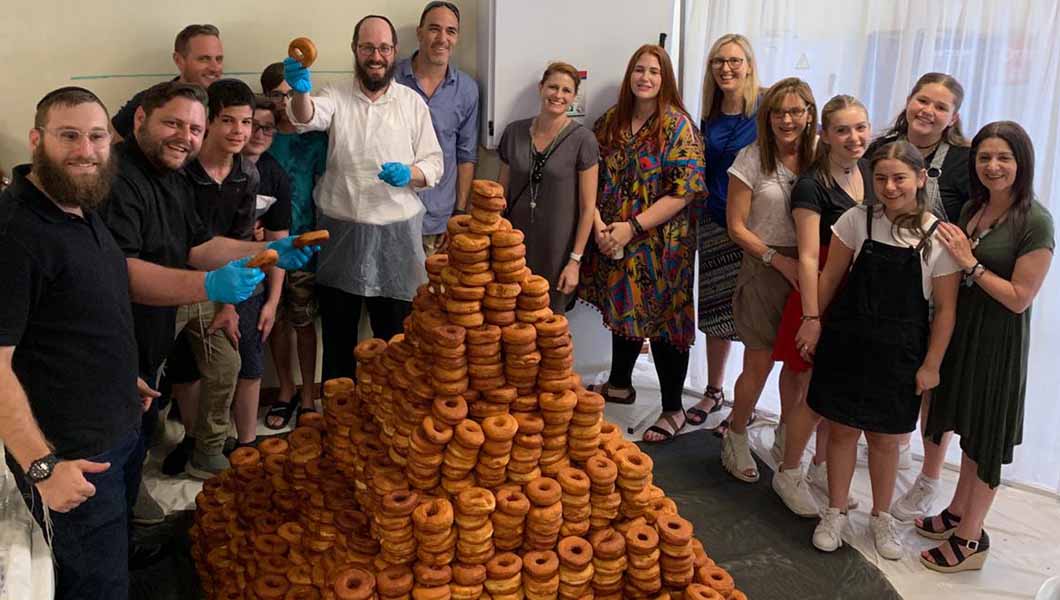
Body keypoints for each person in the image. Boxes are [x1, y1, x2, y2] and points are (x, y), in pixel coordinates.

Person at [99, 81, 316, 481]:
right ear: (142, 118)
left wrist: (269, 253)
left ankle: (136, 490)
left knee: (143, 420)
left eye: (193, 129)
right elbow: (123, 274)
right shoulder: (119, 178)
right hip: (118, 329)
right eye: (174, 124)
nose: (185, 138)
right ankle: (125, 510)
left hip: (152, 325)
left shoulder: (171, 174)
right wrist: (211, 288)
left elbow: (199, 247)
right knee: (119, 431)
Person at [0, 86, 159, 599]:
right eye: (69, 136)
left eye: (96, 137)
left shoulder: (78, 206)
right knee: (96, 587)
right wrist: (43, 468)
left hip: (116, 429)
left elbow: (77, 311)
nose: (86, 151)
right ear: (36, 139)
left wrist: (118, 376)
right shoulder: (14, 234)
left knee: (113, 562)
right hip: (71, 457)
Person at [806, 141, 961, 560]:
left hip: (900, 354)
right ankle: (835, 510)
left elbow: (945, 311)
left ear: (920, 178)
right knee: (840, 430)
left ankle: (881, 516)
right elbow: (830, 277)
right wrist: (813, 321)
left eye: (899, 178)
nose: (890, 187)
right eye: (881, 178)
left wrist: (932, 365)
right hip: (847, 342)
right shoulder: (858, 220)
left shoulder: (936, 237)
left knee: (886, 440)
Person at [919, 121, 1053, 572]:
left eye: (1004, 158)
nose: (993, 166)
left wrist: (970, 264)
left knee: (985, 438)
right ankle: (958, 512)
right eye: (984, 158)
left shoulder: (1035, 221)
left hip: (997, 343)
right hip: (964, 332)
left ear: (1022, 163)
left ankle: (971, 539)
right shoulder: (977, 207)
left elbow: (1019, 298)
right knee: (965, 428)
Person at [283, 15, 443, 380]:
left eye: (384, 48)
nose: (376, 56)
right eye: (368, 48)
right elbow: (306, 118)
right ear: (355, 50)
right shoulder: (334, 94)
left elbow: (435, 163)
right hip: (342, 237)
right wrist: (299, 90)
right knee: (340, 341)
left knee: (396, 341)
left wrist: (411, 174)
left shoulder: (411, 102)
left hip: (396, 240)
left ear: (394, 52)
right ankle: (340, 424)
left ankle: (390, 420)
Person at [578, 44, 707, 443]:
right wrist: (599, 223)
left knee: (666, 323)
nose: (645, 78)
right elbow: (589, 173)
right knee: (624, 307)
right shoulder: (611, 121)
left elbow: (684, 192)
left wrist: (632, 227)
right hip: (614, 236)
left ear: (665, 78)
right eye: (639, 69)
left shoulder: (678, 126)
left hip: (662, 245)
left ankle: (673, 409)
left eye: (654, 71)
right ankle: (619, 383)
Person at [873, 73, 972, 518]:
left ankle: (929, 478)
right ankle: (893, 443)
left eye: (940, 106)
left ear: (953, 118)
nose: (928, 111)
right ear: (909, 101)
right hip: (890, 282)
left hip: (942, 283)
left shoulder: (965, 162)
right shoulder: (883, 147)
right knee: (890, 370)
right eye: (922, 100)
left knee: (932, 383)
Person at [769, 94, 871, 516]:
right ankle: (788, 472)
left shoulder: (867, 171)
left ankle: (820, 467)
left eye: (860, 128)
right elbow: (809, 256)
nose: (853, 137)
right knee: (810, 392)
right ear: (824, 135)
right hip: (819, 293)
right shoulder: (812, 185)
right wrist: (812, 316)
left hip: (857, 294)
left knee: (841, 389)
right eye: (843, 130)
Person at [720, 78, 816, 481]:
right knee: (757, 363)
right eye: (779, 112)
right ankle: (736, 434)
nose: (787, 120)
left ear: (810, 114)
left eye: (796, 111)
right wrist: (779, 261)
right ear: (767, 117)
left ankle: (784, 437)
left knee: (798, 365)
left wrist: (805, 268)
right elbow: (736, 227)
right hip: (764, 267)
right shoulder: (751, 158)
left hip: (810, 272)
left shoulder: (820, 159)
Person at [691, 33, 760, 426]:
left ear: (748, 65)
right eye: (719, 61)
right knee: (717, 312)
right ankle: (714, 391)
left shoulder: (765, 110)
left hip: (756, 228)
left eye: (734, 60)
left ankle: (745, 402)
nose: (726, 68)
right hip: (715, 225)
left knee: (753, 317)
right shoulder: (709, 116)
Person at [258, 63, 328, 429]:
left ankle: (307, 395)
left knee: (303, 319)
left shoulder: (314, 137)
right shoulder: (260, 138)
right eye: (276, 95)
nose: (283, 102)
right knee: (277, 317)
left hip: (303, 241)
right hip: (268, 243)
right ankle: (284, 389)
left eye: (290, 94)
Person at [498, 61, 599, 313]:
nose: (558, 95)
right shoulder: (514, 132)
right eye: (553, 87)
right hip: (514, 247)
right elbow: (499, 196)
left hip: (557, 251)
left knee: (549, 329)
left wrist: (574, 262)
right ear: (541, 88)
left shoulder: (583, 140)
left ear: (574, 97)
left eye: (566, 90)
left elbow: (588, 208)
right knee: (508, 321)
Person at [395, 1, 479, 256]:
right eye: (434, 29)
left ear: (457, 37)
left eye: (450, 31)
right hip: (391, 214)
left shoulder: (467, 90)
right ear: (419, 33)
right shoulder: (391, 79)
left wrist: (459, 214)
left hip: (439, 221)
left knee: (433, 295)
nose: (442, 38)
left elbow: (466, 155)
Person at [234, 96, 292, 444]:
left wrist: (273, 302)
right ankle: (199, 439)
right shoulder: (216, 164)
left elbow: (279, 246)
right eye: (251, 125)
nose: (258, 133)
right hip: (202, 277)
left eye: (267, 128)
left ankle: (245, 440)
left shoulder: (275, 176)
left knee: (249, 362)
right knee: (201, 367)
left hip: (251, 283)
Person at [111, 24, 224, 140]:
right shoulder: (150, 100)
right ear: (179, 60)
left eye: (219, 59)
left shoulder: (230, 104)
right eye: (204, 59)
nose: (215, 68)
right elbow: (111, 140)